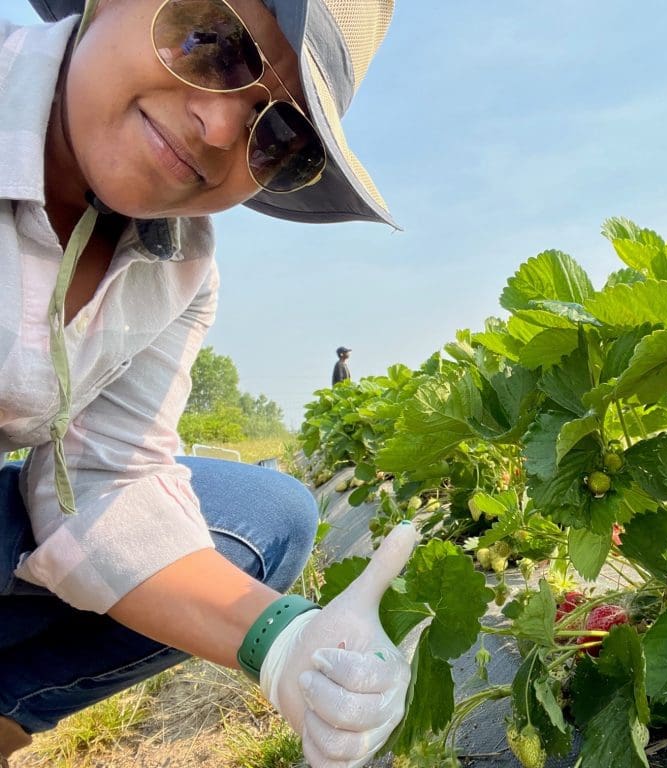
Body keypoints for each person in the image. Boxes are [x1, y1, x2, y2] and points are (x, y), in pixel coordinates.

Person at [0, 2, 414, 767]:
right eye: (212, 44)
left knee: (267, 519)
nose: (222, 130)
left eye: (277, 132)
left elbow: (105, 482)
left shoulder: (180, 267)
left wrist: (286, 642)